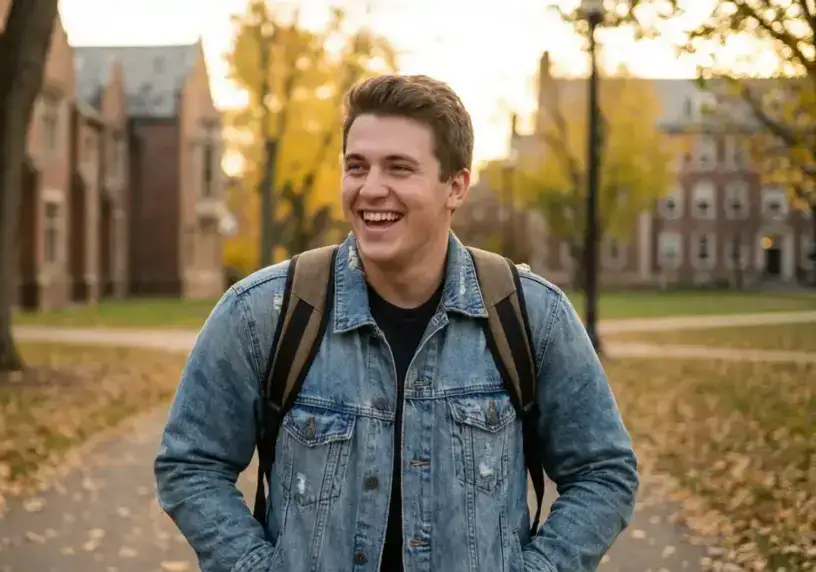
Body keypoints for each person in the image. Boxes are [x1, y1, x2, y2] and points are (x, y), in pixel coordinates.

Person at [155, 74, 639, 572]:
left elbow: (603, 471)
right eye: (357, 166)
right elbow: (190, 464)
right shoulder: (263, 313)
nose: (371, 189)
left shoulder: (530, 315)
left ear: (455, 186)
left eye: (399, 168)